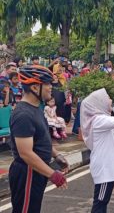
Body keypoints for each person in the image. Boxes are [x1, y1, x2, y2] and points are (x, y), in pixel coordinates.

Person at [9, 65, 69, 212]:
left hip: (36, 171)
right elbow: (26, 153)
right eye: (47, 84)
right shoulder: (23, 114)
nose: (50, 88)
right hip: (27, 172)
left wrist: (56, 155)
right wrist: (52, 174)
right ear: (35, 88)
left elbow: (41, 139)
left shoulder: (36, 108)